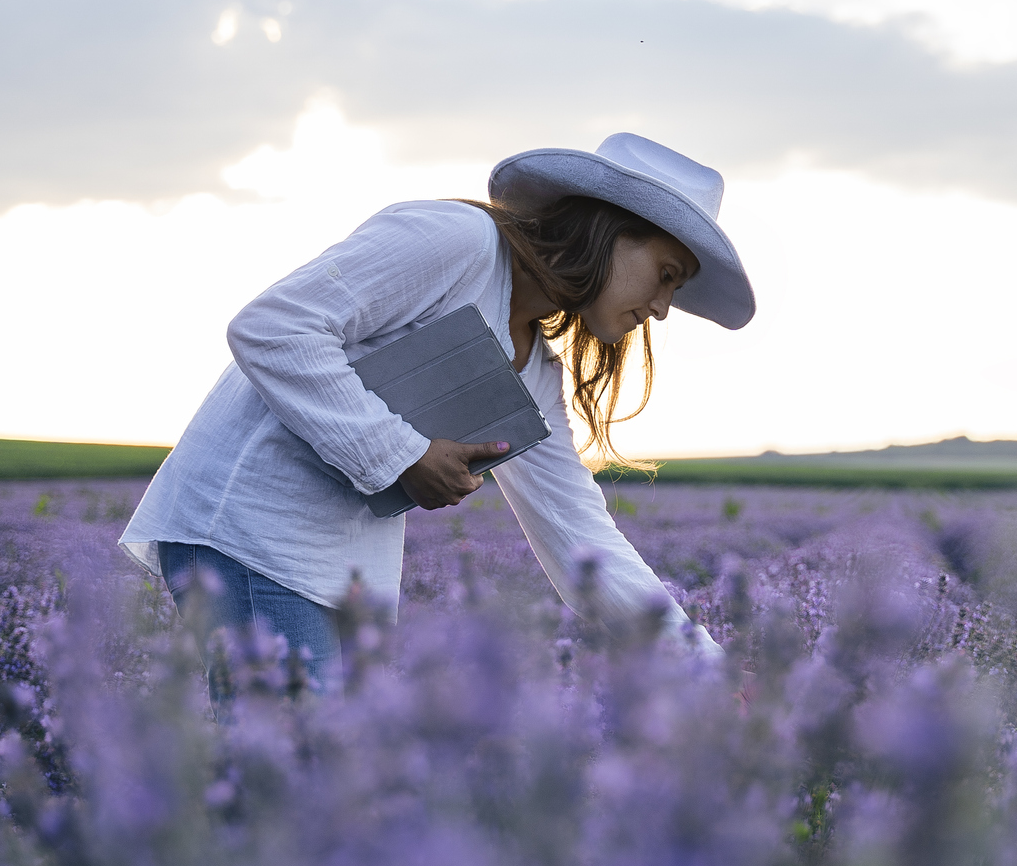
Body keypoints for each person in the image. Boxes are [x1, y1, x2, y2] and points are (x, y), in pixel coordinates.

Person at [119, 133, 752, 692]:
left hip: (337, 568)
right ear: (611, 231)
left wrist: (710, 672)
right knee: (292, 783)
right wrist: (404, 455)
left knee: (316, 793)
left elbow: (581, 539)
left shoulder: (533, 367)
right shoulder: (461, 243)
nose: (664, 307)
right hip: (252, 527)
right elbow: (274, 326)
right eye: (665, 274)